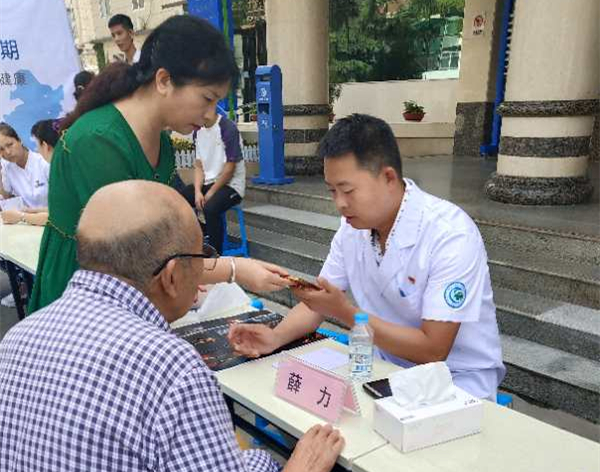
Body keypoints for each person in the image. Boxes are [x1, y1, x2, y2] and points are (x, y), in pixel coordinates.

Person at [0, 180, 344, 472]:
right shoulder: (172, 368)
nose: (204, 269)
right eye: (201, 256)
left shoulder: (19, 337)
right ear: (172, 275)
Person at [229, 114, 506, 400]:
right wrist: (275, 337)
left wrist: (345, 313)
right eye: (332, 191)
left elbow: (433, 349)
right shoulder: (353, 229)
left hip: (455, 380)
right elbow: (318, 303)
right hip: (384, 369)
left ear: (388, 178)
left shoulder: (450, 235)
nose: (340, 203)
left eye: (348, 190)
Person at [28, 15, 244, 312]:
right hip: (81, 292)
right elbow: (129, 253)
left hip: (134, 288)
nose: (210, 114)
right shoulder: (98, 141)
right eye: (207, 98)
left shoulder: (162, 142)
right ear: (164, 80)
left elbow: (160, 233)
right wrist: (232, 269)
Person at [182, 107, 246, 253]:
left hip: (232, 185)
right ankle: (203, 230)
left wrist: (211, 192)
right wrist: (198, 192)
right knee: (179, 199)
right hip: (208, 183)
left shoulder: (227, 128)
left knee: (210, 208)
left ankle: (215, 253)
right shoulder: (198, 132)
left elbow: (230, 168)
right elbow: (199, 166)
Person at [0, 122, 50, 210]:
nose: (7, 152)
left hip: (52, 216)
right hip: (25, 218)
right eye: (1, 149)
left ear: (19, 140)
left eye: (10, 145)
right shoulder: (6, 168)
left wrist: (28, 215)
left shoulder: (44, 163)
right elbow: (6, 198)